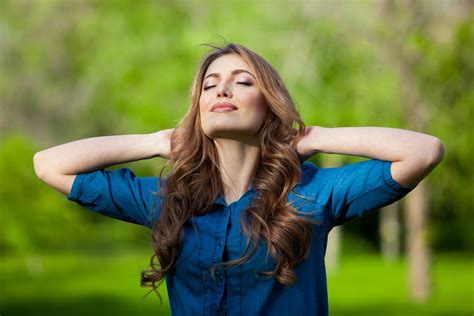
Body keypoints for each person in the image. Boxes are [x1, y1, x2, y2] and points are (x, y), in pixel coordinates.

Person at [33, 43, 445, 316]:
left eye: (242, 82)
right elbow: (50, 164)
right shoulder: (166, 199)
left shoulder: (313, 194)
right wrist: (157, 141)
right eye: (210, 86)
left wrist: (314, 137)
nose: (222, 90)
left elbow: (423, 151)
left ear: (269, 105)